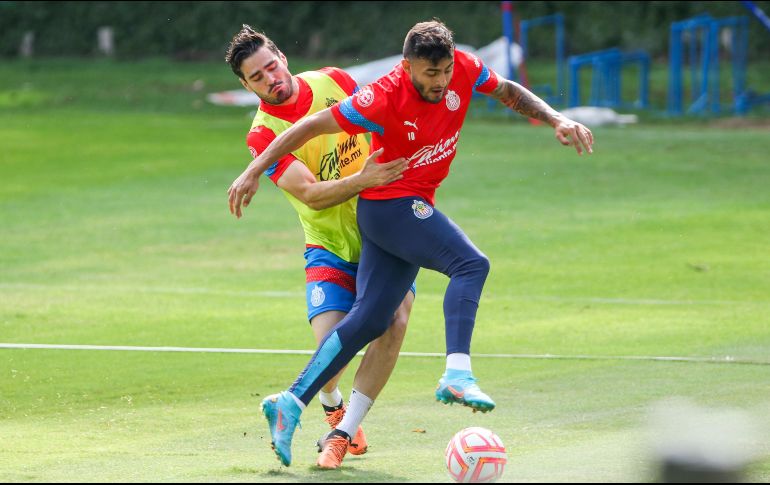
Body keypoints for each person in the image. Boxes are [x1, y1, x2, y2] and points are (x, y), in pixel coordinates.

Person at [228, 20, 594, 468]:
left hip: (385, 215)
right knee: (471, 265)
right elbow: (308, 145)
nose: (438, 82)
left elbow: (507, 90)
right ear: (408, 67)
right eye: (428, 74)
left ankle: (293, 403)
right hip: (378, 214)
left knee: (375, 320)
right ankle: (457, 372)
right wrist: (252, 171)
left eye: (443, 72)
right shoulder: (380, 95)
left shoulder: (457, 69)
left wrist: (556, 117)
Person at [224, 25, 415, 469]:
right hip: (328, 245)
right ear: (246, 85)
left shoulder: (334, 80)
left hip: (381, 234)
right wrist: (364, 179)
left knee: (395, 319)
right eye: (257, 76)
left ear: (283, 58)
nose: (271, 78)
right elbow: (310, 194)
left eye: (272, 66)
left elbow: (382, 119)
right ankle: (332, 402)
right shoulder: (262, 136)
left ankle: (343, 433)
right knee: (331, 353)